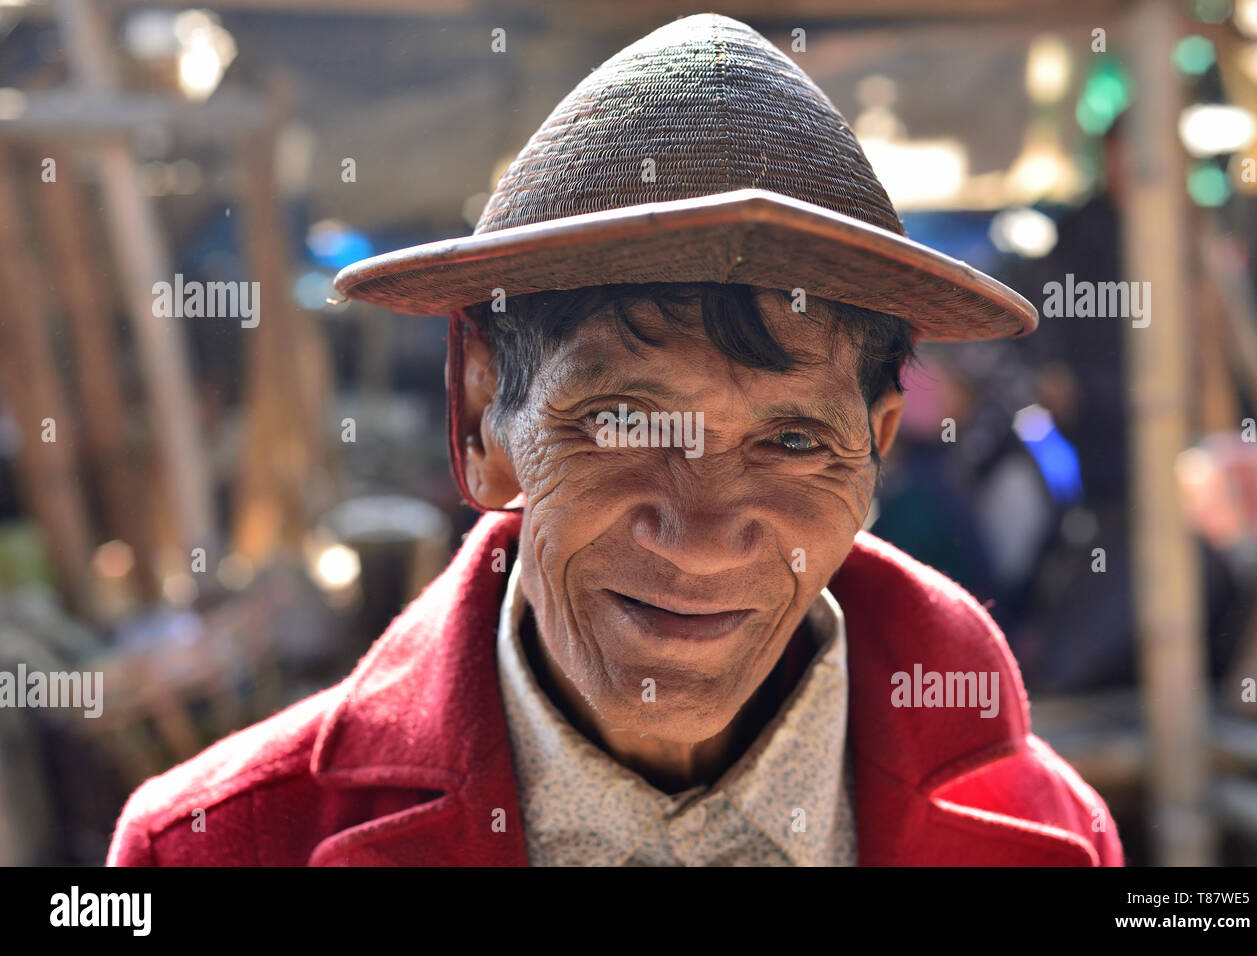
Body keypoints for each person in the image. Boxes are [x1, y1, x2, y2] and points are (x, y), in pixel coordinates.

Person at [109, 13, 1121, 866]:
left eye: (792, 440)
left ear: (876, 448)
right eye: (622, 423)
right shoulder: (217, 844)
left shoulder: (1041, 833)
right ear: (480, 420)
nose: (700, 530)